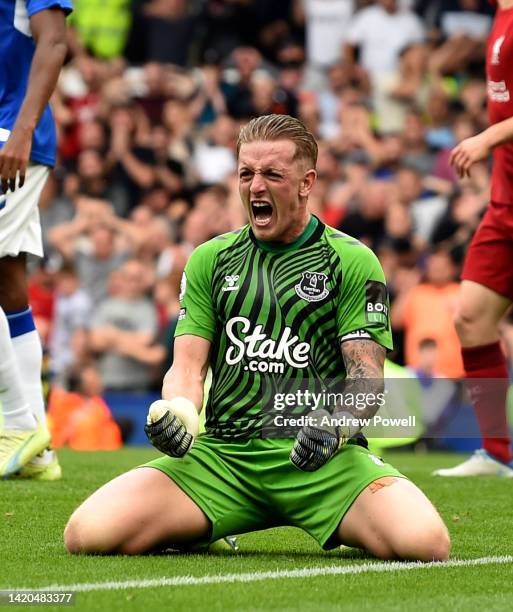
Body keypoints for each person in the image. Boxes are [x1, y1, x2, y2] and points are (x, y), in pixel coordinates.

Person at [64, 115, 449, 561]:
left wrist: (336, 425)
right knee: (87, 534)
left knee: (425, 543)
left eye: (272, 174)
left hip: (321, 460)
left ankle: (338, 517)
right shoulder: (209, 259)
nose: (255, 187)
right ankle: (205, 522)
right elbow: (186, 368)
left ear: (307, 182)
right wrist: (179, 411)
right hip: (225, 457)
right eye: (246, 173)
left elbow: (367, 377)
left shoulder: (357, 261)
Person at [434, 0, 513, 477]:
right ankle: (497, 452)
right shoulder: (499, 17)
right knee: (470, 318)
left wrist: (485, 139)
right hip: (504, 206)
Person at [0, 0, 72, 478]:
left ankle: (14, 424)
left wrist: (21, 131)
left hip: (9, 134)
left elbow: (55, 40)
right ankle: (37, 448)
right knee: (8, 283)